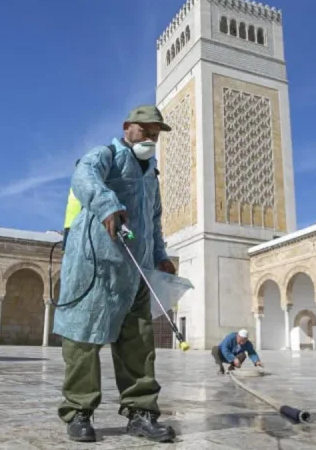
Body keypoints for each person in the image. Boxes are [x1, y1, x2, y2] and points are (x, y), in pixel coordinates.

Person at [53, 105, 178, 444]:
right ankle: (79, 412)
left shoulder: (152, 174)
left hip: (134, 271)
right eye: (145, 130)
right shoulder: (105, 154)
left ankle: (141, 413)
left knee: (138, 343)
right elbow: (84, 178)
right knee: (83, 338)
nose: (150, 138)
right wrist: (107, 203)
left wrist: (160, 255)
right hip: (95, 264)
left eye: (155, 133)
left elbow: (153, 220)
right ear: (128, 128)